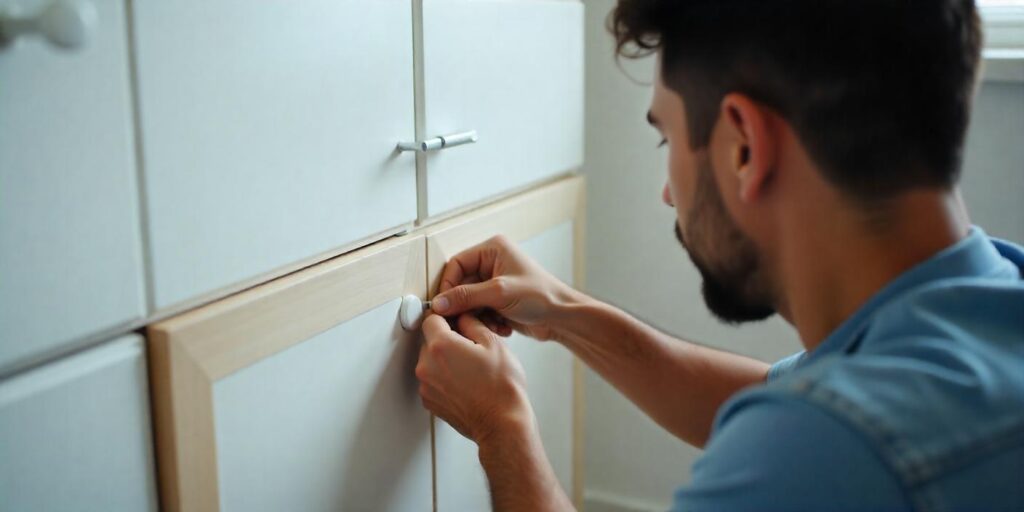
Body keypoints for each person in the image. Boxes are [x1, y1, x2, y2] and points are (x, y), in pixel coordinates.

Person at [413, 0, 1024, 510]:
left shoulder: (823, 453)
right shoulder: (994, 299)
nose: (668, 191)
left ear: (742, 148)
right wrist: (565, 313)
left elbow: (819, 429)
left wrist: (503, 430)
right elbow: (776, 395)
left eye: (668, 137)